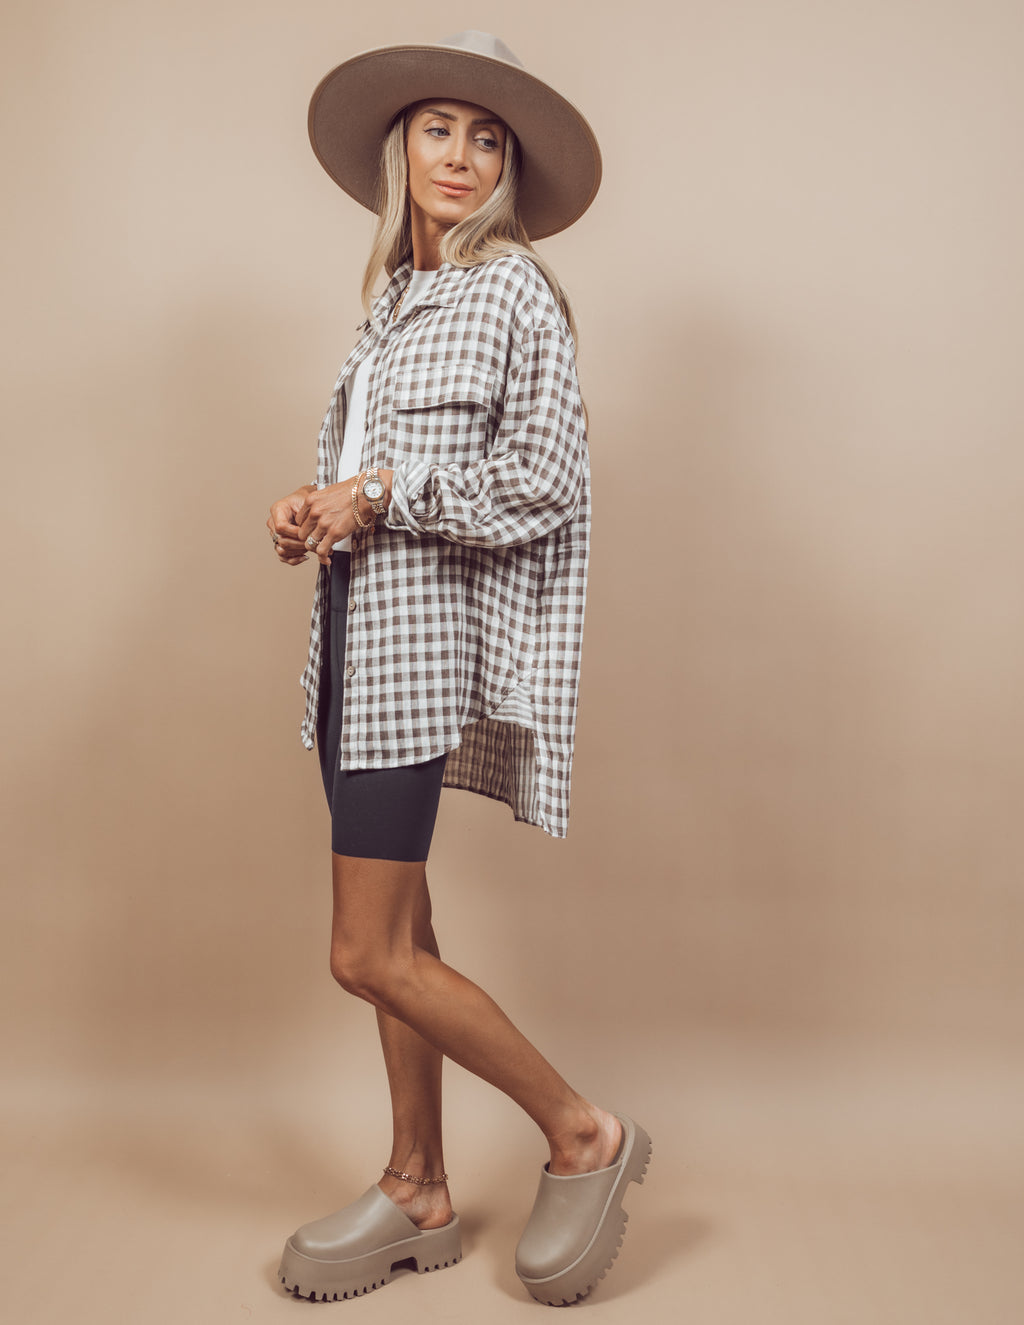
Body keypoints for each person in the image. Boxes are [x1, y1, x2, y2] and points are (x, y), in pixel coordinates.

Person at [266, 31, 650, 1307]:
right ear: (401, 147)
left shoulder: (512, 292)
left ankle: (582, 1129)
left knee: (366, 952)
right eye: (441, 128)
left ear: (507, 169)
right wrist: (320, 506)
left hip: (416, 664)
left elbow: (541, 482)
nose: (463, 155)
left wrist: (379, 491)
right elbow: (380, 483)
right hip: (349, 646)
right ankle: (418, 1182)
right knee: (407, 927)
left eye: (488, 139)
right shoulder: (391, 303)